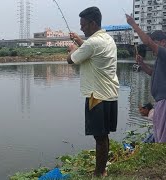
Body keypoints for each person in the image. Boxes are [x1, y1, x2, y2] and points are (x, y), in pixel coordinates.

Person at [66, 7, 119, 177]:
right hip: (109, 94)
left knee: (99, 136)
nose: (81, 28)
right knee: (104, 135)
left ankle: (99, 172)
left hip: (96, 96)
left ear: (93, 23)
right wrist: (79, 41)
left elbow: (71, 60)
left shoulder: (93, 43)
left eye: (83, 25)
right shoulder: (107, 39)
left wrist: (72, 48)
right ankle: (102, 169)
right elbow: (91, 50)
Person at [126, 14, 166, 143]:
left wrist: (133, 25)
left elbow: (147, 41)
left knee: (164, 136)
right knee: (160, 132)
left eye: (155, 44)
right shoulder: (162, 58)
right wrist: (142, 64)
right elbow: (153, 73)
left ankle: (163, 157)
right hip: (161, 100)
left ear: (163, 42)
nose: (152, 48)